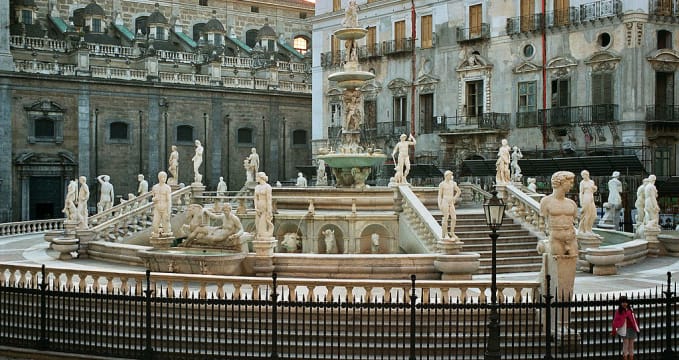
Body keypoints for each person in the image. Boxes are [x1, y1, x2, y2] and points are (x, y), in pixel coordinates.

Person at [539, 171, 578, 256]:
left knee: (573, 262)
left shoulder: (572, 203)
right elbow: (542, 223)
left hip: (571, 238)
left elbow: (575, 221)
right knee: (558, 263)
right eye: (570, 182)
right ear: (561, 182)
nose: (572, 186)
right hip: (556, 238)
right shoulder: (546, 202)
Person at [611, 295, 640, 360]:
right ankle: (625, 357)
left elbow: (634, 319)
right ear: (620, 303)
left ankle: (631, 357)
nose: (624, 304)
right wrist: (613, 331)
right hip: (624, 330)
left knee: (631, 345)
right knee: (625, 345)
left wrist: (637, 328)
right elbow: (615, 321)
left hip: (632, 329)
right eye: (623, 302)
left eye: (626, 302)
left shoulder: (630, 309)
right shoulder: (619, 311)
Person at [438, 170, 461, 239]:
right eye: (450, 175)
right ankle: (445, 234)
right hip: (445, 200)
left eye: (451, 175)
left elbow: (459, 191)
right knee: (446, 218)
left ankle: (452, 232)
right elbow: (440, 195)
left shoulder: (453, 183)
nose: (451, 176)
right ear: (446, 176)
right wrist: (440, 204)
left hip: (451, 201)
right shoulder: (442, 184)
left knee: (454, 218)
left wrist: (454, 198)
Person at [151, 171, 173, 237]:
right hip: (157, 209)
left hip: (165, 208)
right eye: (162, 177)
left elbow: (169, 200)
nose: (164, 178)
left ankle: (165, 243)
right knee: (155, 225)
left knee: (166, 228)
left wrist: (169, 212)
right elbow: (153, 198)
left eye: (165, 177)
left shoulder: (167, 188)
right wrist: (154, 199)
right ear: (159, 178)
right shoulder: (155, 187)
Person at [254, 172, 273, 238]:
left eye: (257, 177)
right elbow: (255, 198)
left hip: (265, 206)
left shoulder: (268, 187)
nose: (256, 178)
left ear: (261, 178)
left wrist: (269, 210)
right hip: (258, 206)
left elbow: (269, 199)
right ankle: (259, 236)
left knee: (262, 225)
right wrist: (256, 207)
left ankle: (263, 237)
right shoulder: (257, 187)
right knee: (257, 223)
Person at [578, 170, 597, 235]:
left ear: (588, 174)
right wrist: (581, 201)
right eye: (582, 175)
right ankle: (585, 230)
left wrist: (595, 188)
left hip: (591, 198)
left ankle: (589, 229)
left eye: (584, 175)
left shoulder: (592, 182)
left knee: (593, 215)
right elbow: (581, 192)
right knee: (587, 215)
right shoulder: (582, 182)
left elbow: (593, 190)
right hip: (586, 198)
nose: (583, 176)